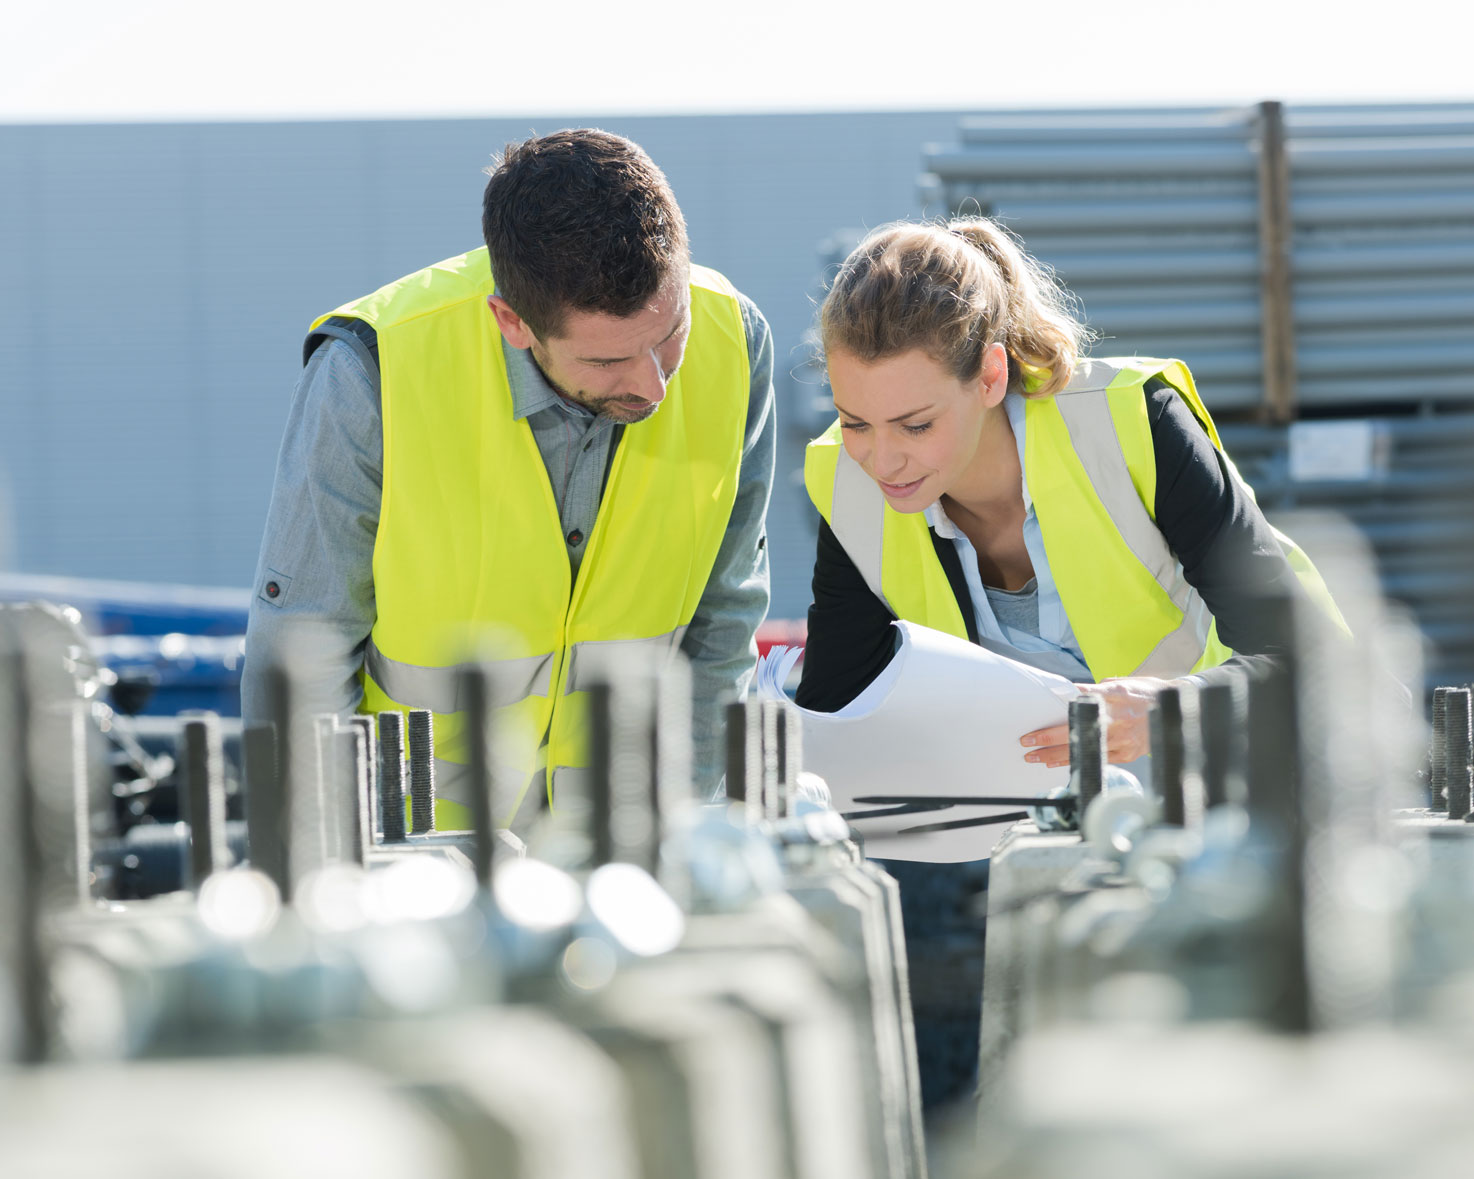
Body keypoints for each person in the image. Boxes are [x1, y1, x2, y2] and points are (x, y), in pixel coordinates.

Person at [794, 216, 1346, 1111]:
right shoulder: (849, 485)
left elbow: (1322, 669)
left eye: (914, 422)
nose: (882, 457)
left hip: (1212, 846)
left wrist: (1174, 709)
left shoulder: (1132, 425)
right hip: (1018, 877)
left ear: (991, 376)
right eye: (855, 421)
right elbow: (839, 715)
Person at [243, 129, 775, 829]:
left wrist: (689, 831)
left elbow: (721, 625)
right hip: (418, 857)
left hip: (625, 853)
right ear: (512, 322)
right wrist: (331, 878)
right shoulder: (368, 375)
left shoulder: (736, 343)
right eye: (608, 362)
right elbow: (302, 661)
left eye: (668, 333)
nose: (654, 385)